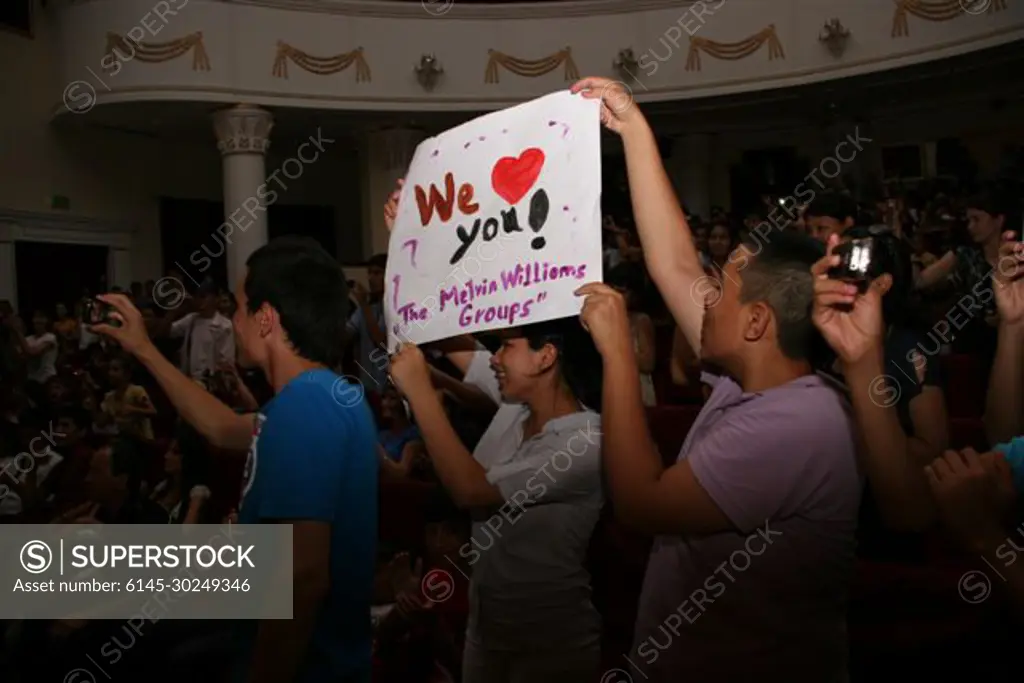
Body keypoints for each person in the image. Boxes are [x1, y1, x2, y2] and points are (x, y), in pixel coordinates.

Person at [571, 77, 861, 683]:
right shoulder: (749, 382)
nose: (705, 299)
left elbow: (641, 502)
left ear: (757, 322)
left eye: (723, 290)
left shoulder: (797, 425)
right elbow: (674, 261)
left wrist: (621, 355)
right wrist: (633, 129)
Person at [90, 236, 378, 683]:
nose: (233, 320)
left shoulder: (306, 407)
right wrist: (144, 348)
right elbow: (223, 427)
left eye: (240, 307)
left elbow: (303, 578)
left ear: (265, 318)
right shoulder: (326, 396)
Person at [385, 184, 604, 683]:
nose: (495, 358)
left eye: (506, 346)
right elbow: (439, 329)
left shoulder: (584, 441)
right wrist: (406, 240)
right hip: (489, 631)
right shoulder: (514, 404)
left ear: (547, 356)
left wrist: (422, 393)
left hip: (551, 646)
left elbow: (471, 490)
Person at [812, 227, 948, 537]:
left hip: (883, 510)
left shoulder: (909, 350)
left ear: (882, 284)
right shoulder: (817, 337)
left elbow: (933, 452)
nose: (835, 276)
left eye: (848, 267)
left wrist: (854, 433)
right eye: (833, 265)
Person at [606, 265, 657, 405]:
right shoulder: (600, 320)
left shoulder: (641, 320)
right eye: (612, 289)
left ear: (634, 294)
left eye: (622, 291)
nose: (615, 296)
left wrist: (613, 349)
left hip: (637, 390)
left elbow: (648, 363)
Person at [168, 279, 235, 381]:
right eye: (197, 297)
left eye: (203, 297)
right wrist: (174, 311)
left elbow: (226, 362)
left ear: (216, 299)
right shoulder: (191, 319)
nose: (199, 301)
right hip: (187, 379)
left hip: (209, 383)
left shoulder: (224, 326)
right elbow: (169, 331)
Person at [346, 253, 389, 393]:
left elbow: (382, 343)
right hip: (367, 387)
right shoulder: (365, 309)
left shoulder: (397, 309)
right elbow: (346, 336)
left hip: (390, 388)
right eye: (369, 273)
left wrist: (363, 303)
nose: (371, 278)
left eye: (377, 273)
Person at [376, 386, 426, 479]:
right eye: (384, 398)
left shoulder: (414, 435)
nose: (384, 403)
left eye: (392, 398)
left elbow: (401, 473)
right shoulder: (382, 435)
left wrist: (377, 450)